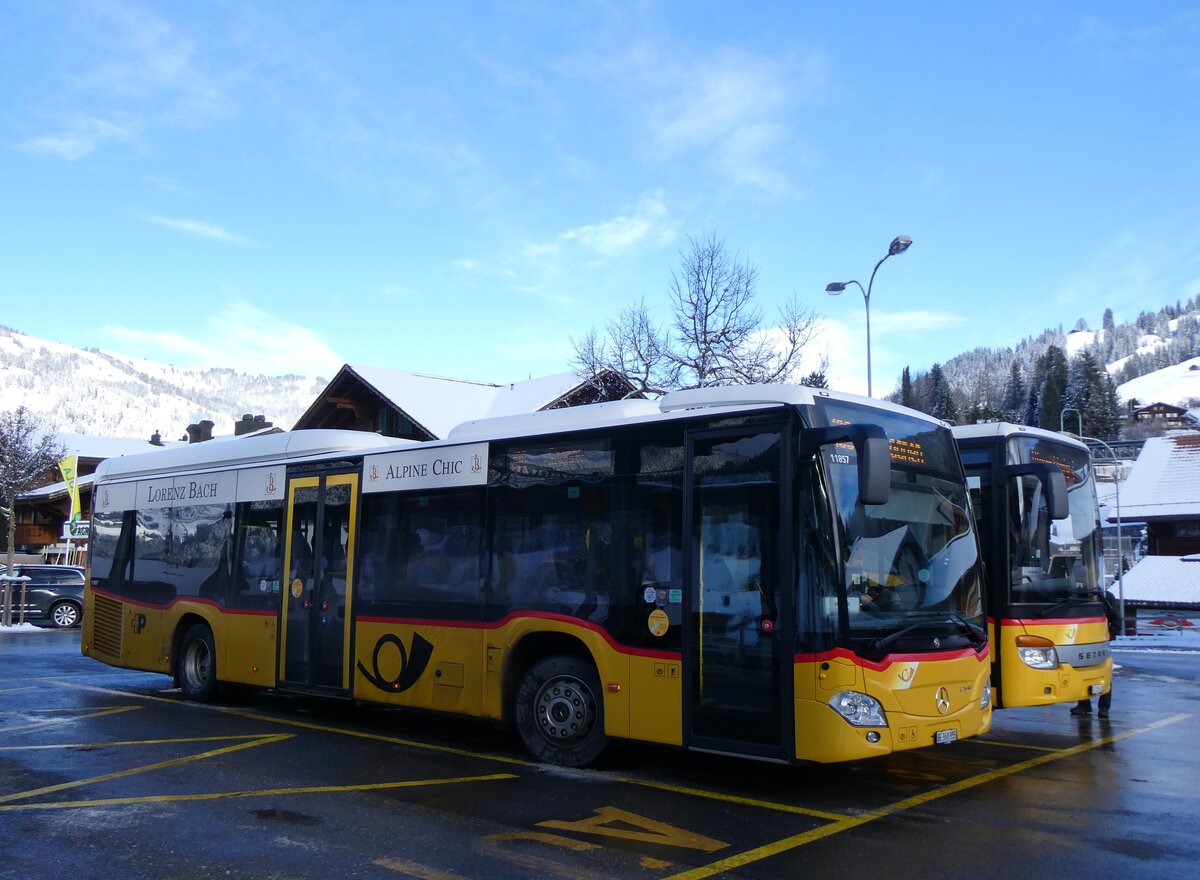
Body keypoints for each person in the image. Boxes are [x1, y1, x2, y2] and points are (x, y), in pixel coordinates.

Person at [1071, 588, 1122, 719]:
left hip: (1099, 641)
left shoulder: (1105, 596)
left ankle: (1104, 708)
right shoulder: (1076, 594)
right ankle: (1083, 704)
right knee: (1082, 672)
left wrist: (1110, 634)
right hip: (1081, 641)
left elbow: (1116, 618)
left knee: (1103, 672)